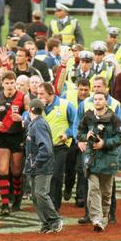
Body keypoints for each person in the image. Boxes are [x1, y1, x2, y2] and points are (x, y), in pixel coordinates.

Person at [77, 92, 121, 232]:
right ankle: (96, 218)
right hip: (92, 159)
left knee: (106, 192)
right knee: (93, 189)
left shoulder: (114, 118)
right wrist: (85, 136)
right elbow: (79, 133)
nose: (98, 101)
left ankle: (104, 217)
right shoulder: (88, 116)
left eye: (100, 99)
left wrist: (105, 143)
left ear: (106, 102)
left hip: (108, 159)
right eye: (96, 99)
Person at [0, 72, 29, 215]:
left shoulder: (22, 97)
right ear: (2, 83)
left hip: (17, 135)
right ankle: (5, 203)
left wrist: (21, 118)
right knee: (2, 170)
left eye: (12, 83)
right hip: (2, 136)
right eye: (7, 83)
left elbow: (29, 113)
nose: (10, 86)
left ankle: (17, 197)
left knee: (17, 170)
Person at [24, 98, 63, 233]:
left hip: (42, 167)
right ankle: (46, 223)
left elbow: (45, 149)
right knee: (36, 195)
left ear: (30, 109)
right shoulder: (34, 123)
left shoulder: (38, 125)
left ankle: (54, 219)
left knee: (40, 193)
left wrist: (36, 163)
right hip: (36, 166)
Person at [36, 82, 75, 212]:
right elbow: (27, 117)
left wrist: (67, 134)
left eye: (42, 94)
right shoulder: (37, 107)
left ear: (51, 93)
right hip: (42, 147)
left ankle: (54, 206)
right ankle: (44, 204)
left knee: (56, 175)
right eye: (37, 94)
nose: (39, 96)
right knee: (42, 175)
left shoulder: (66, 105)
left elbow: (76, 122)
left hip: (60, 146)